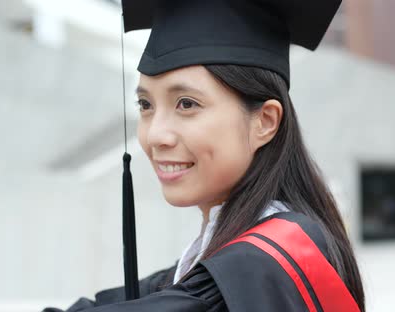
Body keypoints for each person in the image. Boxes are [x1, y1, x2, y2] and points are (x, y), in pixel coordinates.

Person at [43, 0, 364, 311]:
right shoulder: (211, 264)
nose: (155, 135)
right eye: (145, 105)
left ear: (264, 122)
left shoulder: (267, 266)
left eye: (186, 103)